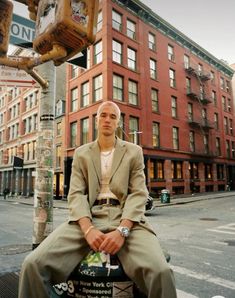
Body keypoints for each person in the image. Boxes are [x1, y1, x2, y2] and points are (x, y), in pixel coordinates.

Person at [18, 101, 177, 298]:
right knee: (32, 264)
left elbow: (138, 194)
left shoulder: (133, 151)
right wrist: (88, 229)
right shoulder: (82, 153)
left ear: (118, 122)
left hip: (126, 218)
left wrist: (122, 230)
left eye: (112, 116)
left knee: (161, 272)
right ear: (96, 121)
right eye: (103, 115)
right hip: (89, 216)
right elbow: (76, 194)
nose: (107, 120)